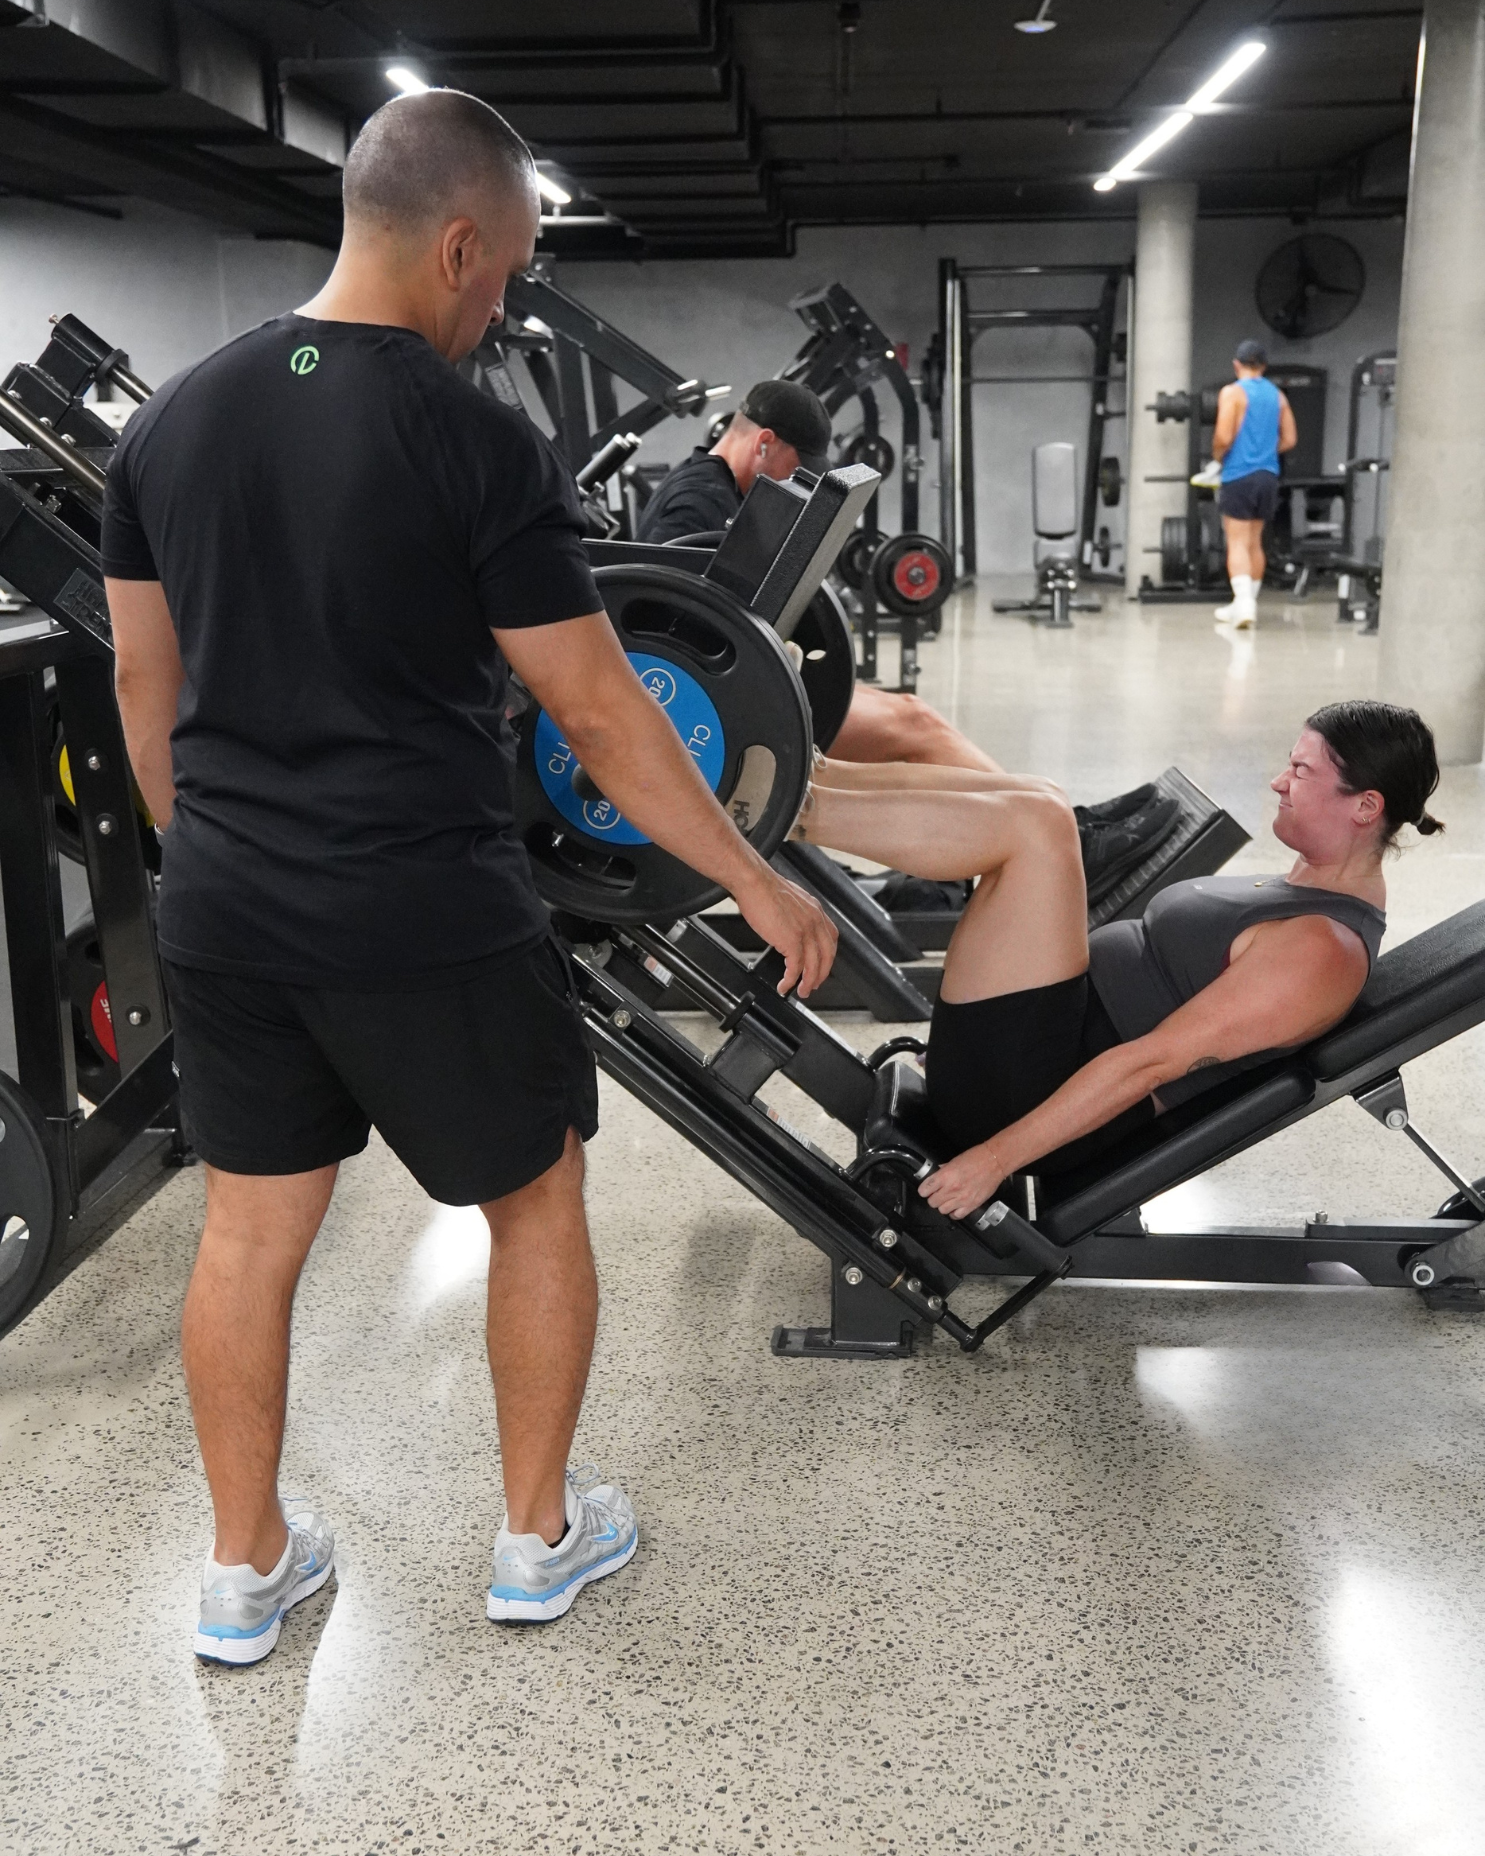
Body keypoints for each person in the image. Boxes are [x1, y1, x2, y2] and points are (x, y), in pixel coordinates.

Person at [101, 90, 837, 1663]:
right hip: (422, 904)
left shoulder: (171, 421)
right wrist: (754, 875)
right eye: (502, 273)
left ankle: (242, 1570)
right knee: (536, 1196)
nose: (499, 306)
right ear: (454, 246)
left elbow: (142, 688)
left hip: (225, 904)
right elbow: (600, 713)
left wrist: (208, 858)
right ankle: (535, 1537)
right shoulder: (475, 438)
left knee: (248, 1233)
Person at [791, 701, 1442, 1218]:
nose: (1278, 781)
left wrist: (993, 1160)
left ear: (1365, 806)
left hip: (1026, 1093)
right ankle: (804, 775)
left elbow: (1151, 1063)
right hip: (1038, 1046)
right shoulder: (1308, 886)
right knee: (1044, 802)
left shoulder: (1322, 950)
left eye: (1300, 772)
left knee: (1037, 826)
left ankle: (791, 810)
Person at [637, 382, 1180, 892]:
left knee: (915, 716)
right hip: (714, 711)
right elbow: (664, 635)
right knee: (916, 728)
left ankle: (1065, 824)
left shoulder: (716, 488)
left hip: (750, 685)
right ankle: (1071, 844)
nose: (797, 484)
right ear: (764, 444)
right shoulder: (696, 502)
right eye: (796, 469)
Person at [634, 378, 833, 544]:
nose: (794, 481)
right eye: (796, 469)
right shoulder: (703, 501)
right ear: (764, 443)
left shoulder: (710, 481)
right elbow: (652, 578)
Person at [1199, 339, 1298, 630]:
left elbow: (1223, 436)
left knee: (1237, 541)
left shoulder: (1232, 393)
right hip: (1268, 476)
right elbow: (1290, 439)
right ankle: (1244, 602)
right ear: (1264, 366)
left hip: (1238, 475)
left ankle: (1243, 605)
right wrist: (1265, 452)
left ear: (1236, 365)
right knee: (1255, 541)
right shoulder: (1277, 396)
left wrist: (1218, 458)